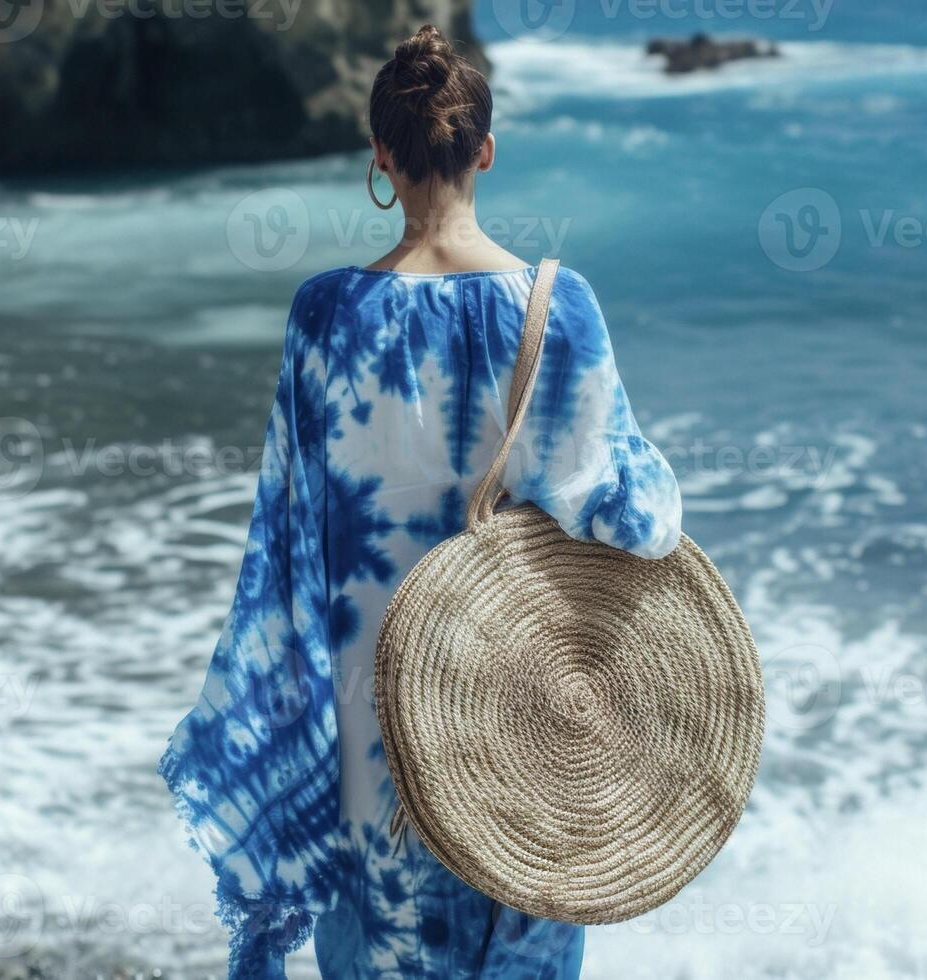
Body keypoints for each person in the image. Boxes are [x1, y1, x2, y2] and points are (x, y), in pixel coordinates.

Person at [159, 24, 682, 979]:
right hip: (515, 706)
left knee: (379, 941)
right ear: (484, 150)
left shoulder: (324, 313)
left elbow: (286, 539)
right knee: (515, 924)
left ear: (381, 160)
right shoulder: (556, 307)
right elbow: (625, 520)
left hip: (374, 713)